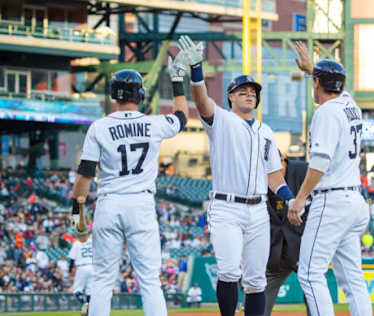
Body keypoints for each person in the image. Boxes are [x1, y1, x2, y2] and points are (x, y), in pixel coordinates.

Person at [177, 35, 296, 316]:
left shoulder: (266, 131)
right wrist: (196, 71)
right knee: (230, 271)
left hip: (258, 211)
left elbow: (274, 177)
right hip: (227, 207)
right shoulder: (221, 120)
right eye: (242, 90)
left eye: (253, 91)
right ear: (230, 96)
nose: (249, 94)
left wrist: (290, 200)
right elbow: (202, 101)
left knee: (256, 280)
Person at [71, 54, 189, 316]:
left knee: (102, 280)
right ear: (141, 94)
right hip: (141, 203)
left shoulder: (99, 127)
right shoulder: (154, 123)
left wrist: (75, 212)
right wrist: (178, 80)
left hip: (109, 202)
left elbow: (85, 176)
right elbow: (182, 116)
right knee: (149, 280)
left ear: (115, 95)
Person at [287, 42, 372, 316]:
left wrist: (299, 200)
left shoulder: (326, 112)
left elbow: (320, 161)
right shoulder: (351, 107)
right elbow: (336, 87)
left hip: (332, 201)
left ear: (317, 84)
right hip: (355, 201)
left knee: (310, 274)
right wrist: (314, 69)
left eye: (315, 81)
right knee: (353, 279)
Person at [265, 152, 311, 316]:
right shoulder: (262, 178)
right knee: (264, 291)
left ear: (283, 160)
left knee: (314, 289)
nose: (272, 170)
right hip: (278, 249)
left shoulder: (302, 170)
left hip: (304, 245)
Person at [68, 233, 93, 316]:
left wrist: (70, 270)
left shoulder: (77, 243)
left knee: (77, 290)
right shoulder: (92, 243)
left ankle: (84, 302)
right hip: (93, 267)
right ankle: (88, 310)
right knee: (90, 291)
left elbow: (72, 259)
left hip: (82, 267)